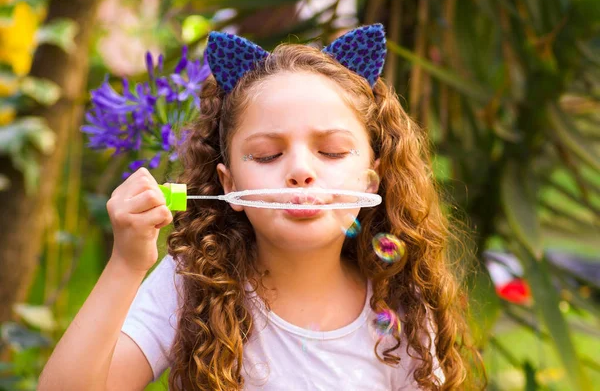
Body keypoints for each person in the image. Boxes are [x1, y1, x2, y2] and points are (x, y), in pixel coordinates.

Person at [39, 24, 484, 390]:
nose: (300, 171)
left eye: (330, 152)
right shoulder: (191, 282)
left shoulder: (400, 304)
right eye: (268, 155)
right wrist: (126, 264)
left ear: (373, 179)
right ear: (227, 184)